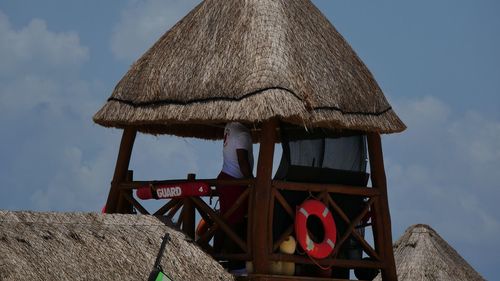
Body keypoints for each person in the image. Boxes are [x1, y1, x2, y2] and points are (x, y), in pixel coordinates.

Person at [216, 121, 254, 270]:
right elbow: (242, 161)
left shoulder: (230, 126)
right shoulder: (243, 134)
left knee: (223, 220)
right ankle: (234, 264)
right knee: (235, 222)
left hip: (224, 178)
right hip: (234, 182)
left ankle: (216, 255)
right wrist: (252, 181)